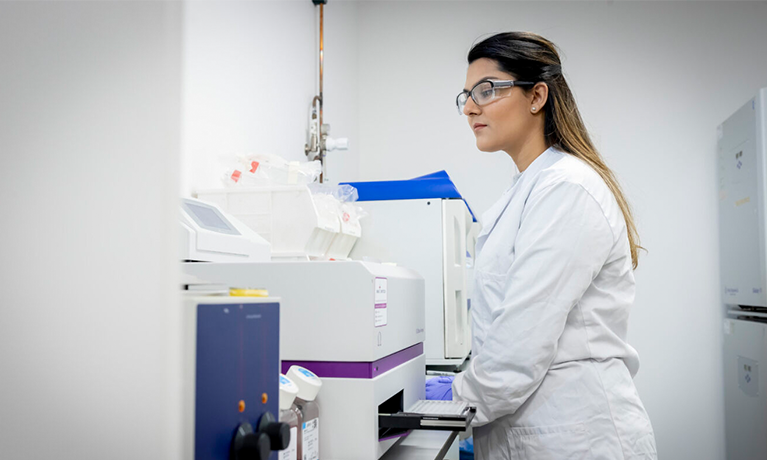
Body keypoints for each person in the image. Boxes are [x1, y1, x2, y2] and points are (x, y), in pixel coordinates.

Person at [426, 32, 658, 459]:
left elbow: (519, 347)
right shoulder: (528, 190)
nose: (471, 106)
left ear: (537, 96)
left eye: (487, 89)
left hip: (575, 436)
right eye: (466, 95)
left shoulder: (566, 188)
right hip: (537, 431)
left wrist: (441, 401)